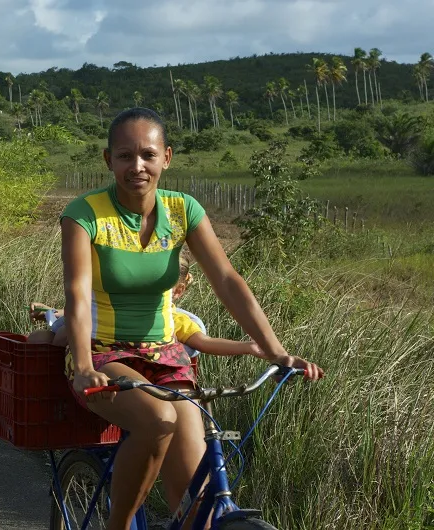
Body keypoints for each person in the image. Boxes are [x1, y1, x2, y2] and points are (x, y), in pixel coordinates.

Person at [60, 107, 323, 529]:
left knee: (197, 504)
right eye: (125, 156)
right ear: (108, 160)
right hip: (104, 356)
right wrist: (85, 367)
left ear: (167, 157)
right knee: (158, 420)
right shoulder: (85, 214)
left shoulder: (183, 210)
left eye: (147, 154)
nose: (137, 166)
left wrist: (277, 352)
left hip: (167, 359)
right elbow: (76, 294)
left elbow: (226, 279)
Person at [27, 255, 265, 359]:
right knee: (43, 337)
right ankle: (54, 313)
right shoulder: (121, 303)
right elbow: (69, 331)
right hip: (89, 339)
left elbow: (203, 342)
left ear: (177, 292)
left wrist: (248, 346)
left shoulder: (176, 320)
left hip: (135, 373)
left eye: (158, 288)